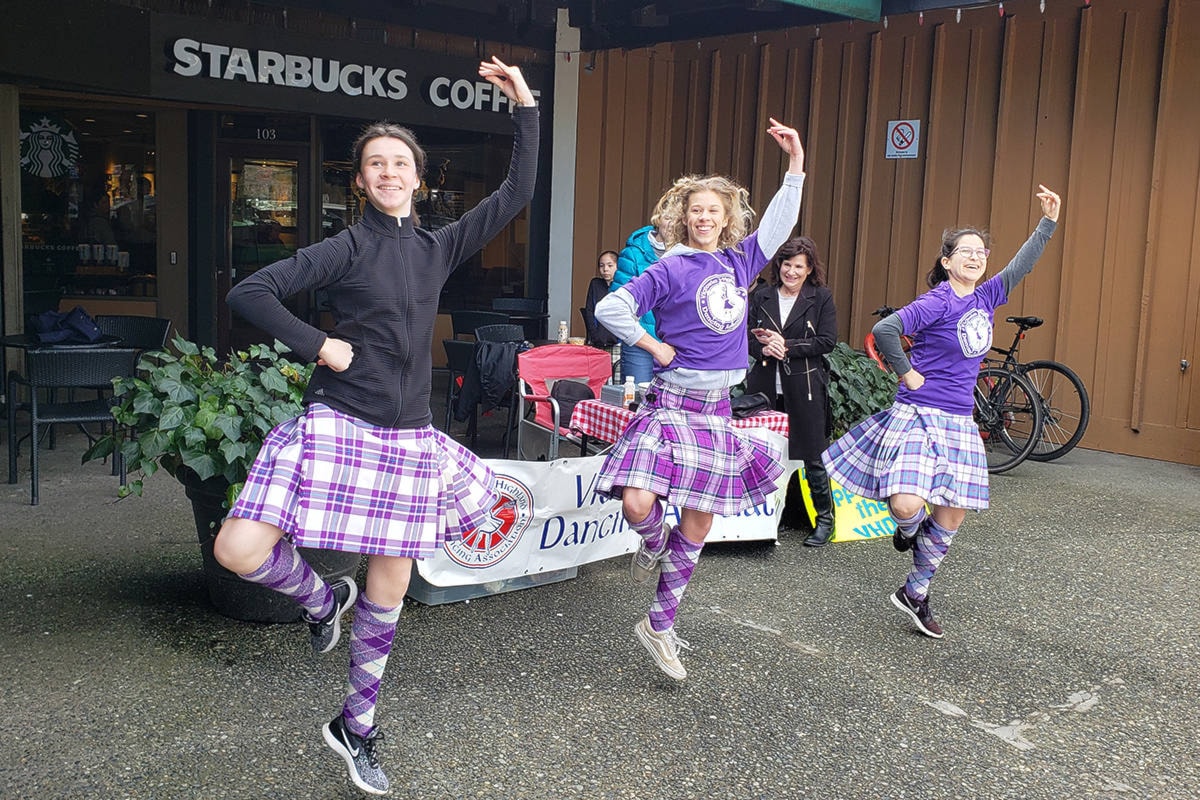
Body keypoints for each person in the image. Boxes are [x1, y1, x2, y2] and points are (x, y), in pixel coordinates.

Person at [211, 56, 538, 795]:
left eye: (400, 162)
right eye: (375, 164)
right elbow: (252, 291)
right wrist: (318, 344)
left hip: (408, 437)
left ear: (418, 178)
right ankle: (322, 601)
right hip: (337, 421)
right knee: (237, 547)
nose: (389, 172)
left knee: (392, 585)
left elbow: (517, 191)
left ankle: (355, 726)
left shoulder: (439, 245)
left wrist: (525, 108)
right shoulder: (346, 247)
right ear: (359, 181)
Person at [594, 118, 806, 681]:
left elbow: (782, 225)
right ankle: (654, 544)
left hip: (716, 409)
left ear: (726, 218)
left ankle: (659, 626)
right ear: (683, 218)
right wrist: (653, 345)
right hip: (670, 404)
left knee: (699, 521)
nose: (705, 217)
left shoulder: (739, 261)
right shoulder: (670, 267)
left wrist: (795, 167)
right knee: (639, 503)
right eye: (696, 210)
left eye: (714, 210)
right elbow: (611, 310)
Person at [822, 185, 1062, 640]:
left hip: (958, 421)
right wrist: (907, 373)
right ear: (947, 261)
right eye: (964, 252)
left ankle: (915, 592)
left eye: (980, 251)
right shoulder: (938, 301)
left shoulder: (987, 297)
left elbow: (1022, 265)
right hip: (919, 414)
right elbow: (885, 330)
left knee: (953, 514)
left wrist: (1047, 224)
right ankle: (911, 532)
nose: (974, 257)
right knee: (908, 504)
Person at [746, 235, 838, 546]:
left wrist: (786, 346)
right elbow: (742, 338)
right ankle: (770, 518)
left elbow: (827, 341)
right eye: (787, 264)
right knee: (766, 454)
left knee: (813, 455)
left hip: (805, 387)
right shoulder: (763, 296)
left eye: (799, 266)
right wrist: (763, 349)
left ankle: (825, 520)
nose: (792, 272)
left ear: (810, 268)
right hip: (764, 387)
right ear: (779, 265)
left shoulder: (820, 297)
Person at [611, 225, 665, 382]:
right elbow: (617, 302)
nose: (672, 224)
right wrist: (635, 333)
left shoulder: (688, 252)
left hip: (677, 343)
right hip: (641, 342)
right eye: (668, 217)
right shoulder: (634, 252)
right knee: (635, 398)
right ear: (658, 219)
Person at [583, 249, 619, 347]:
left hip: (618, 341)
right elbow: (589, 310)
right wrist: (594, 335)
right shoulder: (595, 284)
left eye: (610, 265)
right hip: (598, 340)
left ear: (618, 266)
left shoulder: (623, 285)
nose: (605, 269)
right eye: (601, 265)